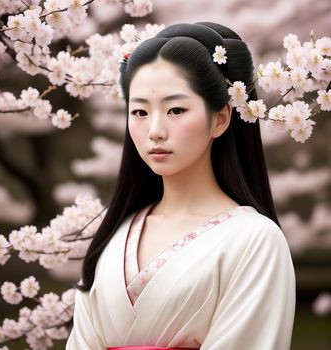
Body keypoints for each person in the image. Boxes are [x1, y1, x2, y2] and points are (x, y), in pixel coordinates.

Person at [66, 22, 296, 350]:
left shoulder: (255, 240)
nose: (155, 130)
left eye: (175, 110)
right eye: (140, 111)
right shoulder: (115, 234)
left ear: (220, 118)